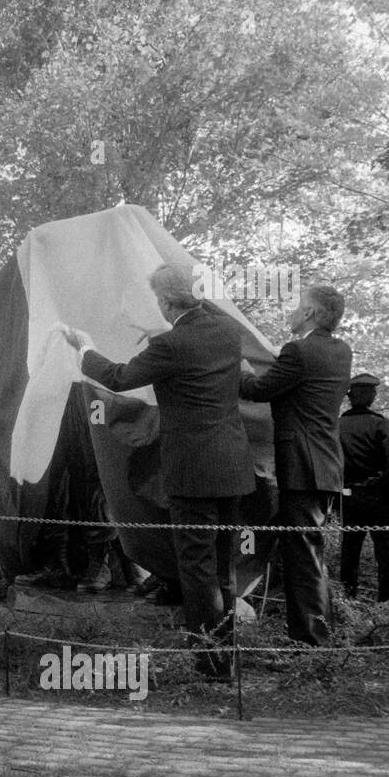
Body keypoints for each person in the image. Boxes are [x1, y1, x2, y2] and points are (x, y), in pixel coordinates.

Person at [66, 262, 256, 678]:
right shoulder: (227, 333)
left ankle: (210, 664)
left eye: (159, 302)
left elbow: (119, 377)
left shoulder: (171, 346)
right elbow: (196, 361)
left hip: (192, 473)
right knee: (224, 568)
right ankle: (227, 656)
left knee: (197, 570)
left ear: (169, 302)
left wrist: (85, 348)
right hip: (234, 468)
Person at [239, 284, 351, 645]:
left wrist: (243, 365)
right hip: (326, 465)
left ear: (310, 314)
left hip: (301, 467)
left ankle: (311, 644)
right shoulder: (340, 350)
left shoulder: (298, 352)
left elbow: (257, 390)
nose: (292, 311)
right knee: (310, 555)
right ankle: (319, 635)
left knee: (302, 556)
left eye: (297, 306)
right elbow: (303, 380)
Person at [339, 373, 389, 601]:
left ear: (350, 397)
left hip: (349, 496)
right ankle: (386, 600)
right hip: (379, 498)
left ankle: (348, 599)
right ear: (371, 396)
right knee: (384, 550)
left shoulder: (338, 425)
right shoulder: (380, 424)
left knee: (349, 550)